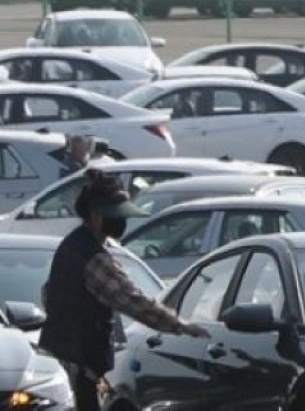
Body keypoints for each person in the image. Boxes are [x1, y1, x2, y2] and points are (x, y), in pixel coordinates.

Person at [39, 169, 208, 411]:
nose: (121, 222)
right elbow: (133, 301)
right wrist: (181, 326)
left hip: (69, 358)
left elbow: (48, 294)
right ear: (96, 216)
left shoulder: (72, 245)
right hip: (80, 364)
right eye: (115, 216)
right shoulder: (93, 257)